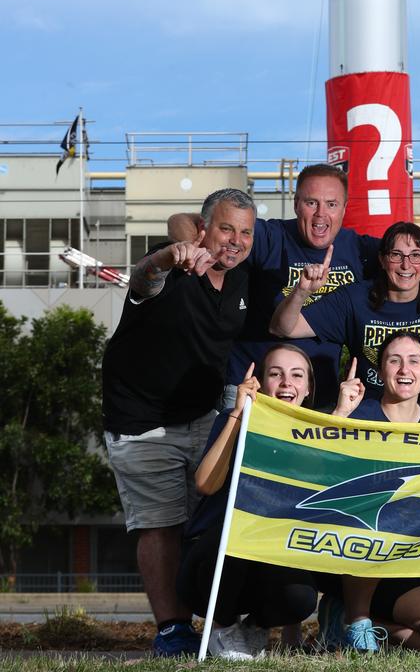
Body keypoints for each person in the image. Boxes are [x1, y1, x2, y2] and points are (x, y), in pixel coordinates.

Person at [102, 187, 255, 657]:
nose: (235, 241)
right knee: (161, 524)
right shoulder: (168, 266)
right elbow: (143, 278)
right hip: (141, 421)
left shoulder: (244, 277)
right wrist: (173, 252)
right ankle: (171, 629)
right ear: (204, 228)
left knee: (211, 522)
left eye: (245, 232)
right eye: (225, 228)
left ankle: (215, 624)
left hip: (202, 416)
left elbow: (188, 217)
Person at [169, 164, 420, 408]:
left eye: (331, 204)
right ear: (296, 204)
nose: (321, 215)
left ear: (345, 208)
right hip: (255, 388)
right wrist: (194, 251)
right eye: (311, 203)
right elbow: (183, 220)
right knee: (239, 475)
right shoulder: (271, 236)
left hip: (320, 393)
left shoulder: (359, 250)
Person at [177, 345, 326, 659]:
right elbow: (205, 483)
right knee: (242, 527)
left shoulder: (316, 435)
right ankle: (222, 628)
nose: (287, 382)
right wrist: (236, 414)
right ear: (260, 383)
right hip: (210, 563)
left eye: (297, 375)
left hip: (268, 562)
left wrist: (339, 416)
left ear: (308, 387)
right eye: (276, 374)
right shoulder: (236, 420)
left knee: (300, 597)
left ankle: (253, 629)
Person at [318, 331, 420, 653]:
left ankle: (370, 627)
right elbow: (315, 467)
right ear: (380, 372)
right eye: (395, 361)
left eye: (414, 361)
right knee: (376, 511)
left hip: (410, 565)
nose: (404, 369)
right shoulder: (356, 415)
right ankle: (357, 617)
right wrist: (339, 415)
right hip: (354, 561)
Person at [269, 221, 420, 405]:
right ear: (382, 259)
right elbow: (284, 328)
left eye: (416, 255)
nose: (406, 265)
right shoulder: (355, 298)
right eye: (396, 254)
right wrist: (301, 291)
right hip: (366, 415)